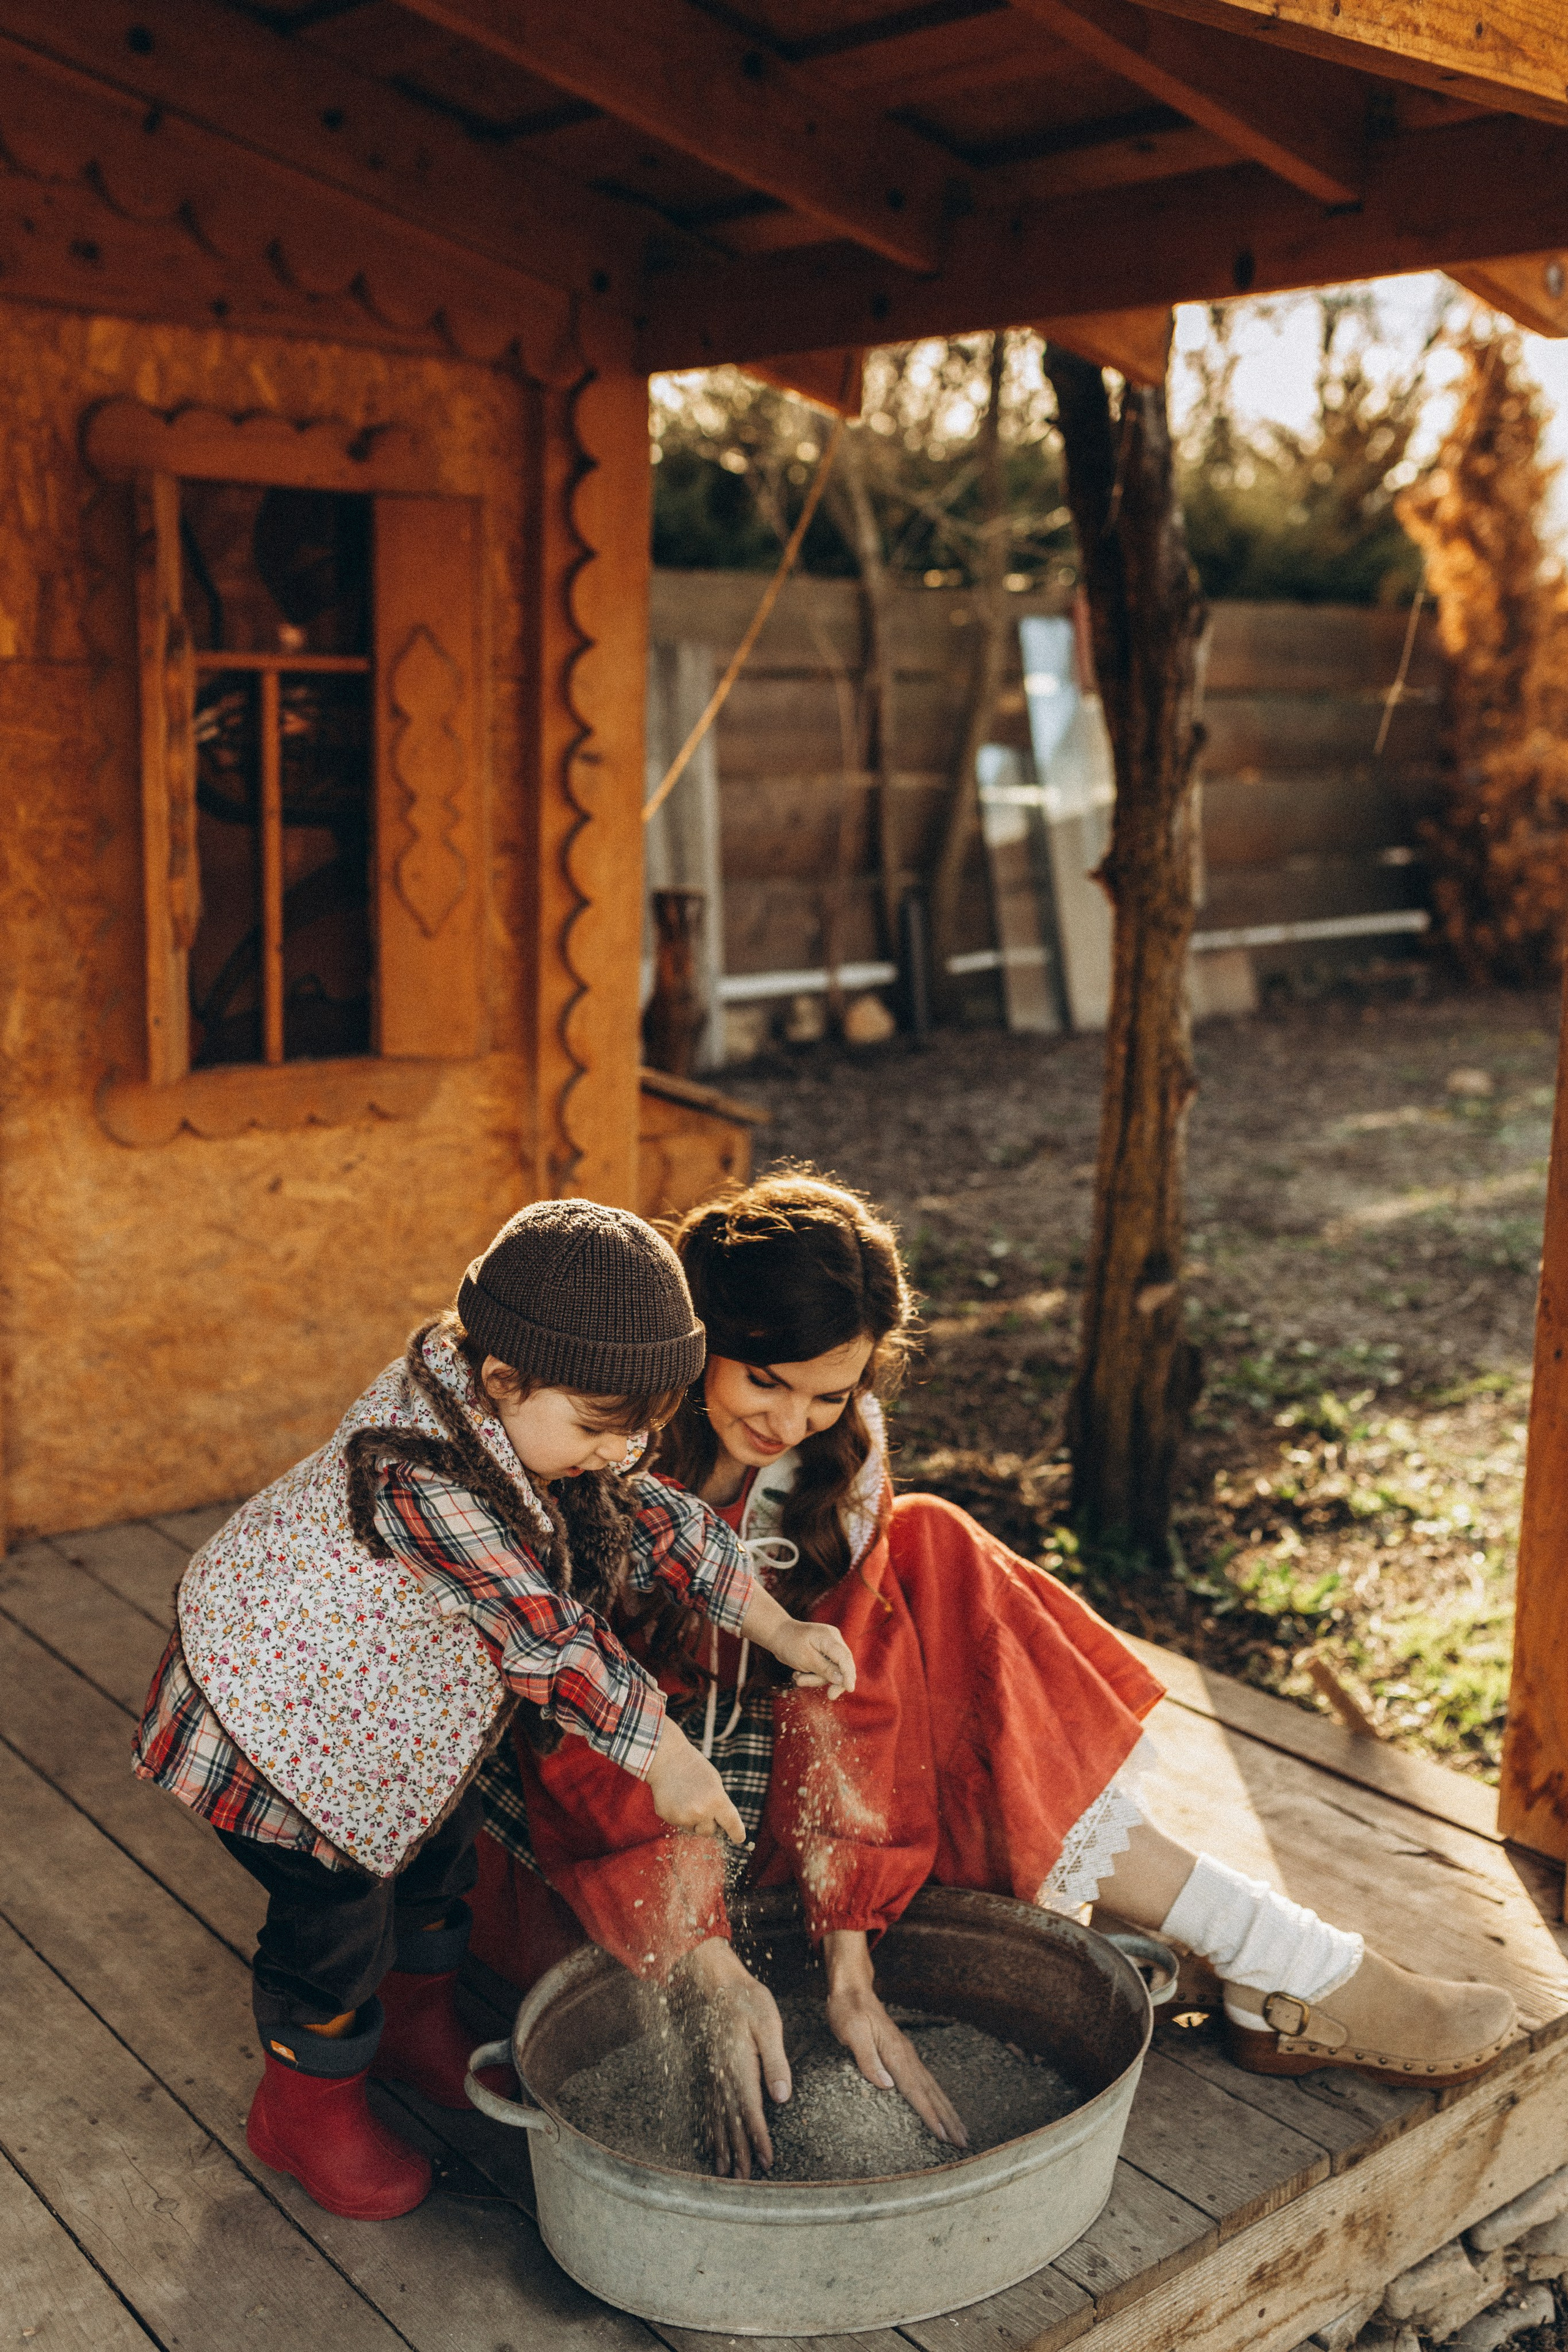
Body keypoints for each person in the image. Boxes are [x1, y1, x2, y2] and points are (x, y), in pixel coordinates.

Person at [473, 1173, 1517, 2180]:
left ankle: (1268, 1954)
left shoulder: (830, 1466)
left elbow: (859, 1705)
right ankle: (1272, 1963)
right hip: (620, 1828)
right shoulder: (599, 1447)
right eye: (765, 1380)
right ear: (698, 1335)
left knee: (930, 1548)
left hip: (781, 1784)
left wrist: (849, 1962)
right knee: (931, 1582)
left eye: (829, 1394)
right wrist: (707, 1967)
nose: (790, 1423)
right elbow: (578, 1741)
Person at [132, 1199, 853, 2220]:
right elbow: (547, 1635)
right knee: (333, 1925)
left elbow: (655, 1515)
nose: (622, 1451)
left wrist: (774, 1626)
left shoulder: (552, 1418)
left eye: (643, 1427)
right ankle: (303, 2108)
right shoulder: (417, 1475)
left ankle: (413, 2023)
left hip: (391, 1709)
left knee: (441, 1853)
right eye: (602, 1428)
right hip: (282, 1723)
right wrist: (663, 1754)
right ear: (506, 1379)